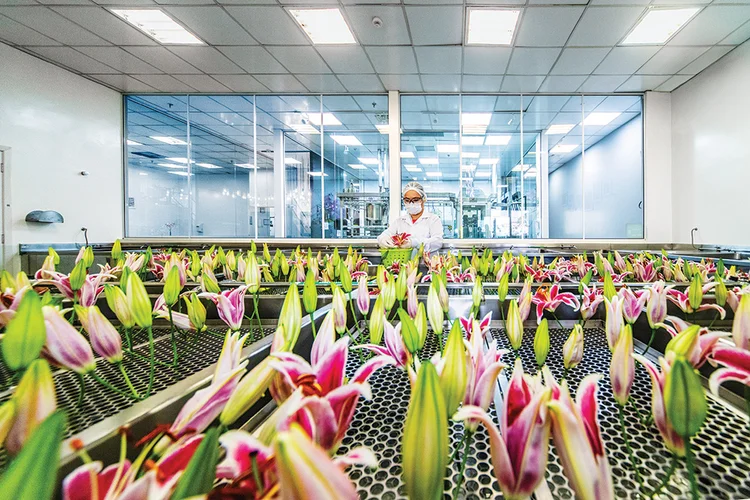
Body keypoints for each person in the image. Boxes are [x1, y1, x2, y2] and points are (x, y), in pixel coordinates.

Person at [377, 182, 443, 254]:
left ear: (423, 199)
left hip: (426, 263)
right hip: (404, 263)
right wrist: (383, 239)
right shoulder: (400, 221)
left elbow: (437, 242)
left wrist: (413, 243)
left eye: (415, 200)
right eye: (407, 200)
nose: (411, 203)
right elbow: (384, 235)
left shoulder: (432, 219)